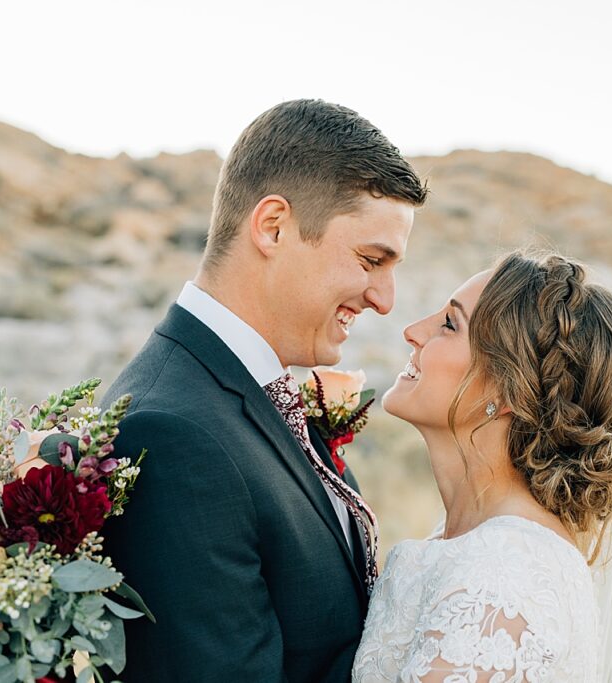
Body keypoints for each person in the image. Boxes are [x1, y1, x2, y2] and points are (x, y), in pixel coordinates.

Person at [102, 99, 427, 681]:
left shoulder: (251, 394)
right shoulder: (173, 435)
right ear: (273, 226)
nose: (385, 299)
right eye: (371, 259)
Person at [352, 250, 612, 682]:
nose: (411, 331)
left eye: (449, 324)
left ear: (510, 389)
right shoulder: (475, 544)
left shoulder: (504, 577)